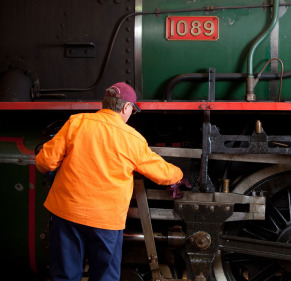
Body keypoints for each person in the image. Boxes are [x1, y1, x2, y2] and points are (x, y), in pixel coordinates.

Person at [35, 82, 183, 281]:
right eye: (133, 109)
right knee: (105, 276)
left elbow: (45, 162)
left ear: (105, 103)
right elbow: (162, 174)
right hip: (106, 221)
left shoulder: (76, 122)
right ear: (126, 107)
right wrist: (179, 174)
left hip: (67, 213)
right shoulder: (133, 139)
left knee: (64, 275)